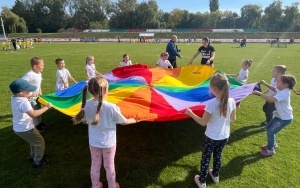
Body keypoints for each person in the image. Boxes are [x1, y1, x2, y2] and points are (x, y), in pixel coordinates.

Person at [73, 76, 137, 188]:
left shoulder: (85, 105)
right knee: (109, 166)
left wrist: (90, 122)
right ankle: (112, 186)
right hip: (109, 143)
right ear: (105, 90)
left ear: (90, 91)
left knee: (95, 165)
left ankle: (95, 185)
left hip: (94, 142)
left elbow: (84, 120)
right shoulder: (112, 107)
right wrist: (135, 119)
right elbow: (123, 122)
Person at [185, 73, 236, 188]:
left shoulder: (211, 104)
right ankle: (215, 175)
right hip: (224, 136)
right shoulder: (232, 101)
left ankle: (202, 181)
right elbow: (233, 119)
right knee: (218, 155)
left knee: (206, 158)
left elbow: (203, 122)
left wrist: (190, 113)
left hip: (211, 137)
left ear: (213, 88)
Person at [9, 79, 52, 167]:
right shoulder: (24, 102)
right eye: (28, 90)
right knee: (39, 142)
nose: (30, 91)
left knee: (33, 142)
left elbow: (22, 97)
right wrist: (47, 107)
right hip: (26, 128)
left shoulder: (14, 98)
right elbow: (33, 114)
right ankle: (38, 161)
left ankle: (33, 156)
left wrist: (30, 95)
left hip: (18, 128)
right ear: (21, 92)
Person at [253, 75, 298, 156]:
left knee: (270, 132)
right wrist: (265, 84)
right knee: (269, 128)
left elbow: (271, 99)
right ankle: (273, 144)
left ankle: (270, 150)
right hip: (279, 116)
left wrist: (259, 93)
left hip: (284, 119)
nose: (276, 83)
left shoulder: (284, 93)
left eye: (278, 82)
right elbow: (274, 88)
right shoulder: (283, 89)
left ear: (286, 84)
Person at [22, 57, 49, 132]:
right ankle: (36, 126)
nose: (43, 66)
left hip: (37, 96)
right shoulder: (29, 75)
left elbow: (38, 84)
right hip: (30, 98)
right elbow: (21, 85)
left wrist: (40, 90)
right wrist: (30, 94)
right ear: (35, 66)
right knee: (34, 111)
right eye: (42, 65)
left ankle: (40, 122)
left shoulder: (39, 73)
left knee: (38, 108)